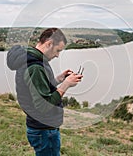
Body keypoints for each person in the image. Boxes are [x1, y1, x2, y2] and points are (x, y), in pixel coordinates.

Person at [6, 28, 82, 156]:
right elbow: (44, 105)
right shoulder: (35, 66)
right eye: (58, 50)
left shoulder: (33, 59)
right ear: (48, 44)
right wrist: (66, 85)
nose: (58, 55)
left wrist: (59, 79)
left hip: (40, 127)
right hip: (44, 130)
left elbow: (39, 87)